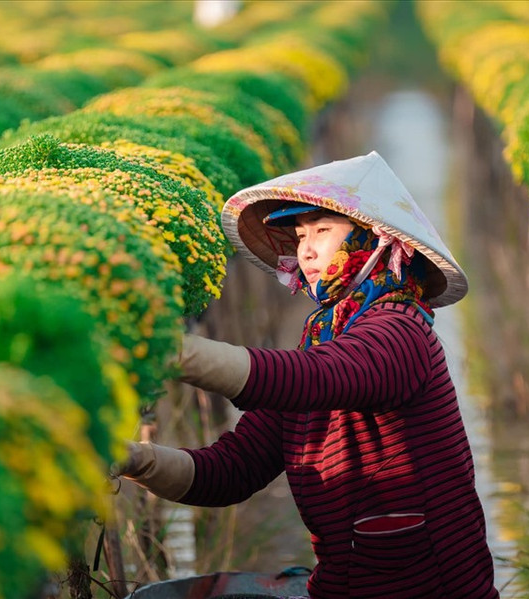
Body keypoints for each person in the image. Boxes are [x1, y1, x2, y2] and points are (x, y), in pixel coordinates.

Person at [119, 152, 499, 598]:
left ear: (371, 241)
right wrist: (137, 460)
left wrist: (170, 351)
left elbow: (324, 376)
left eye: (323, 231)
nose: (307, 250)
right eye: (300, 235)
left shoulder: (402, 328)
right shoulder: (320, 339)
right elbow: (232, 469)